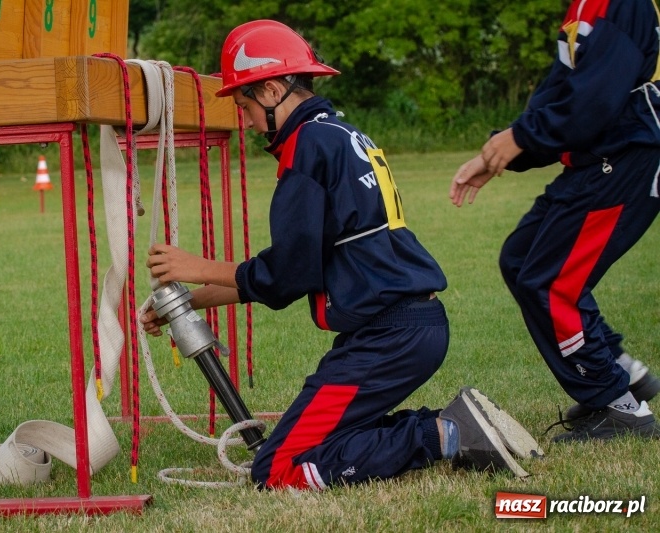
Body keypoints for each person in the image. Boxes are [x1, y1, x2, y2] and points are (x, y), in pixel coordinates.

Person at [143, 19, 539, 490]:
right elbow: (305, 266)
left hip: (388, 337)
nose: (246, 122)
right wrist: (192, 301)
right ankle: (458, 425)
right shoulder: (337, 136)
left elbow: (285, 276)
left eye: (244, 105)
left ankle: (445, 433)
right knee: (314, 444)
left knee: (278, 470)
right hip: (405, 327)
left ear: (271, 90)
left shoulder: (305, 147)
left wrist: (195, 266)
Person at [449, 0, 660, 441]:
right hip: (598, 159)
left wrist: (522, 137)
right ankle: (622, 375)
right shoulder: (582, 7)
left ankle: (617, 407)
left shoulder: (622, 3)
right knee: (522, 259)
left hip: (628, 157)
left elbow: (596, 99)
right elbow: (562, 94)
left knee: (551, 281)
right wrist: (505, 150)